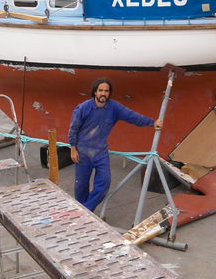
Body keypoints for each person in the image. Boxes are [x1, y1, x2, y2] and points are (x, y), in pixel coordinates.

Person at [68, 78, 162, 211]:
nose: (103, 93)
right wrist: (73, 149)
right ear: (95, 92)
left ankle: (85, 211)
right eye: (100, 90)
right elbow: (73, 129)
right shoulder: (83, 108)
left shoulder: (114, 107)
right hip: (82, 152)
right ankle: (83, 211)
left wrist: (152, 122)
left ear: (109, 93)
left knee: (104, 184)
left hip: (101, 153)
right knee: (81, 186)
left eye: (106, 91)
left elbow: (132, 116)